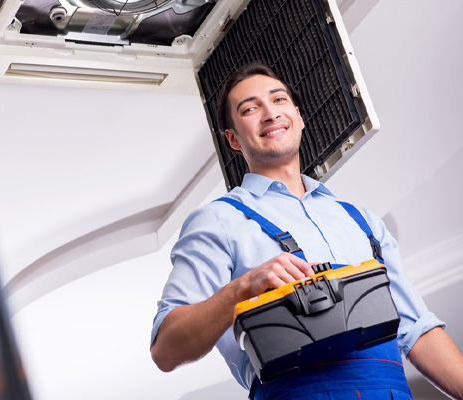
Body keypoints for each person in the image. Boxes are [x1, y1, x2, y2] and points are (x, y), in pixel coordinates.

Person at [150, 62, 463, 399]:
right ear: (233, 139)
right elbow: (165, 349)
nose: (270, 114)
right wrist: (244, 287)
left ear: (299, 117)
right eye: (250, 109)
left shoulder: (363, 221)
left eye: (279, 100)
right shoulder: (219, 221)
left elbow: (418, 331)